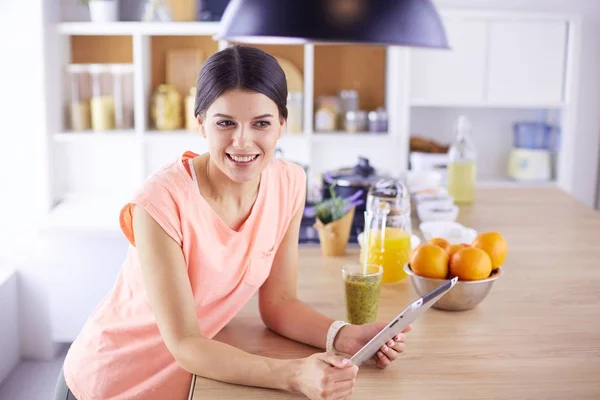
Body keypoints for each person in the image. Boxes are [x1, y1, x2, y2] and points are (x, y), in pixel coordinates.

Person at [54, 45, 412, 400]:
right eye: (225, 123)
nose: (243, 142)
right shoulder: (159, 202)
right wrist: (294, 374)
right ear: (200, 123)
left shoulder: (289, 183)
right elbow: (185, 344)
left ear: (283, 125)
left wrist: (343, 335)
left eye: (261, 123)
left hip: (189, 383)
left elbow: (280, 304)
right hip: (109, 382)